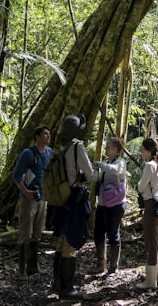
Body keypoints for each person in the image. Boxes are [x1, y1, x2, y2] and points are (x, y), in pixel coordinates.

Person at [51, 113, 96, 300]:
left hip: (62, 199)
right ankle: (67, 289)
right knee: (71, 243)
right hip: (74, 199)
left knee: (62, 242)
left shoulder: (61, 146)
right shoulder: (77, 146)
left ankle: (57, 283)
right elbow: (91, 174)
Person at [12, 124, 52, 281]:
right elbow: (16, 175)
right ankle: (21, 270)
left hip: (42, 199)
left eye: (49, 134)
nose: (48, 136)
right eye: (44, 134)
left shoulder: (49, 153)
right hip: (29, 199)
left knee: (37, 233)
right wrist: (26, 192)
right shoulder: (28, 153)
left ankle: (33, 266)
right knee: (25, 234)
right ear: (37, 136)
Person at [91, 137, 127, 275]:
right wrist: (91, 171)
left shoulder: (120, 162)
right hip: (102, 204)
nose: (106, 149)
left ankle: (113, 266)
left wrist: (99, 164)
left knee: (113, 233)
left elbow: (116, 170)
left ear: (116, 150)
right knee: (99, 232)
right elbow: (97, 178)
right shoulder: (106, 164)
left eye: (108, 147)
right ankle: (101, 264)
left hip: (116, 204)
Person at [136, 137, 158, 290]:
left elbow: (141, 187)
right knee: (157, 239)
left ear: (148, 150)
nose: (141, 152)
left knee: (150, 241)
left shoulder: (149, 165)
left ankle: (150, 280)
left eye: (142, 149)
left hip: (150, 204)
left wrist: (138, 185)